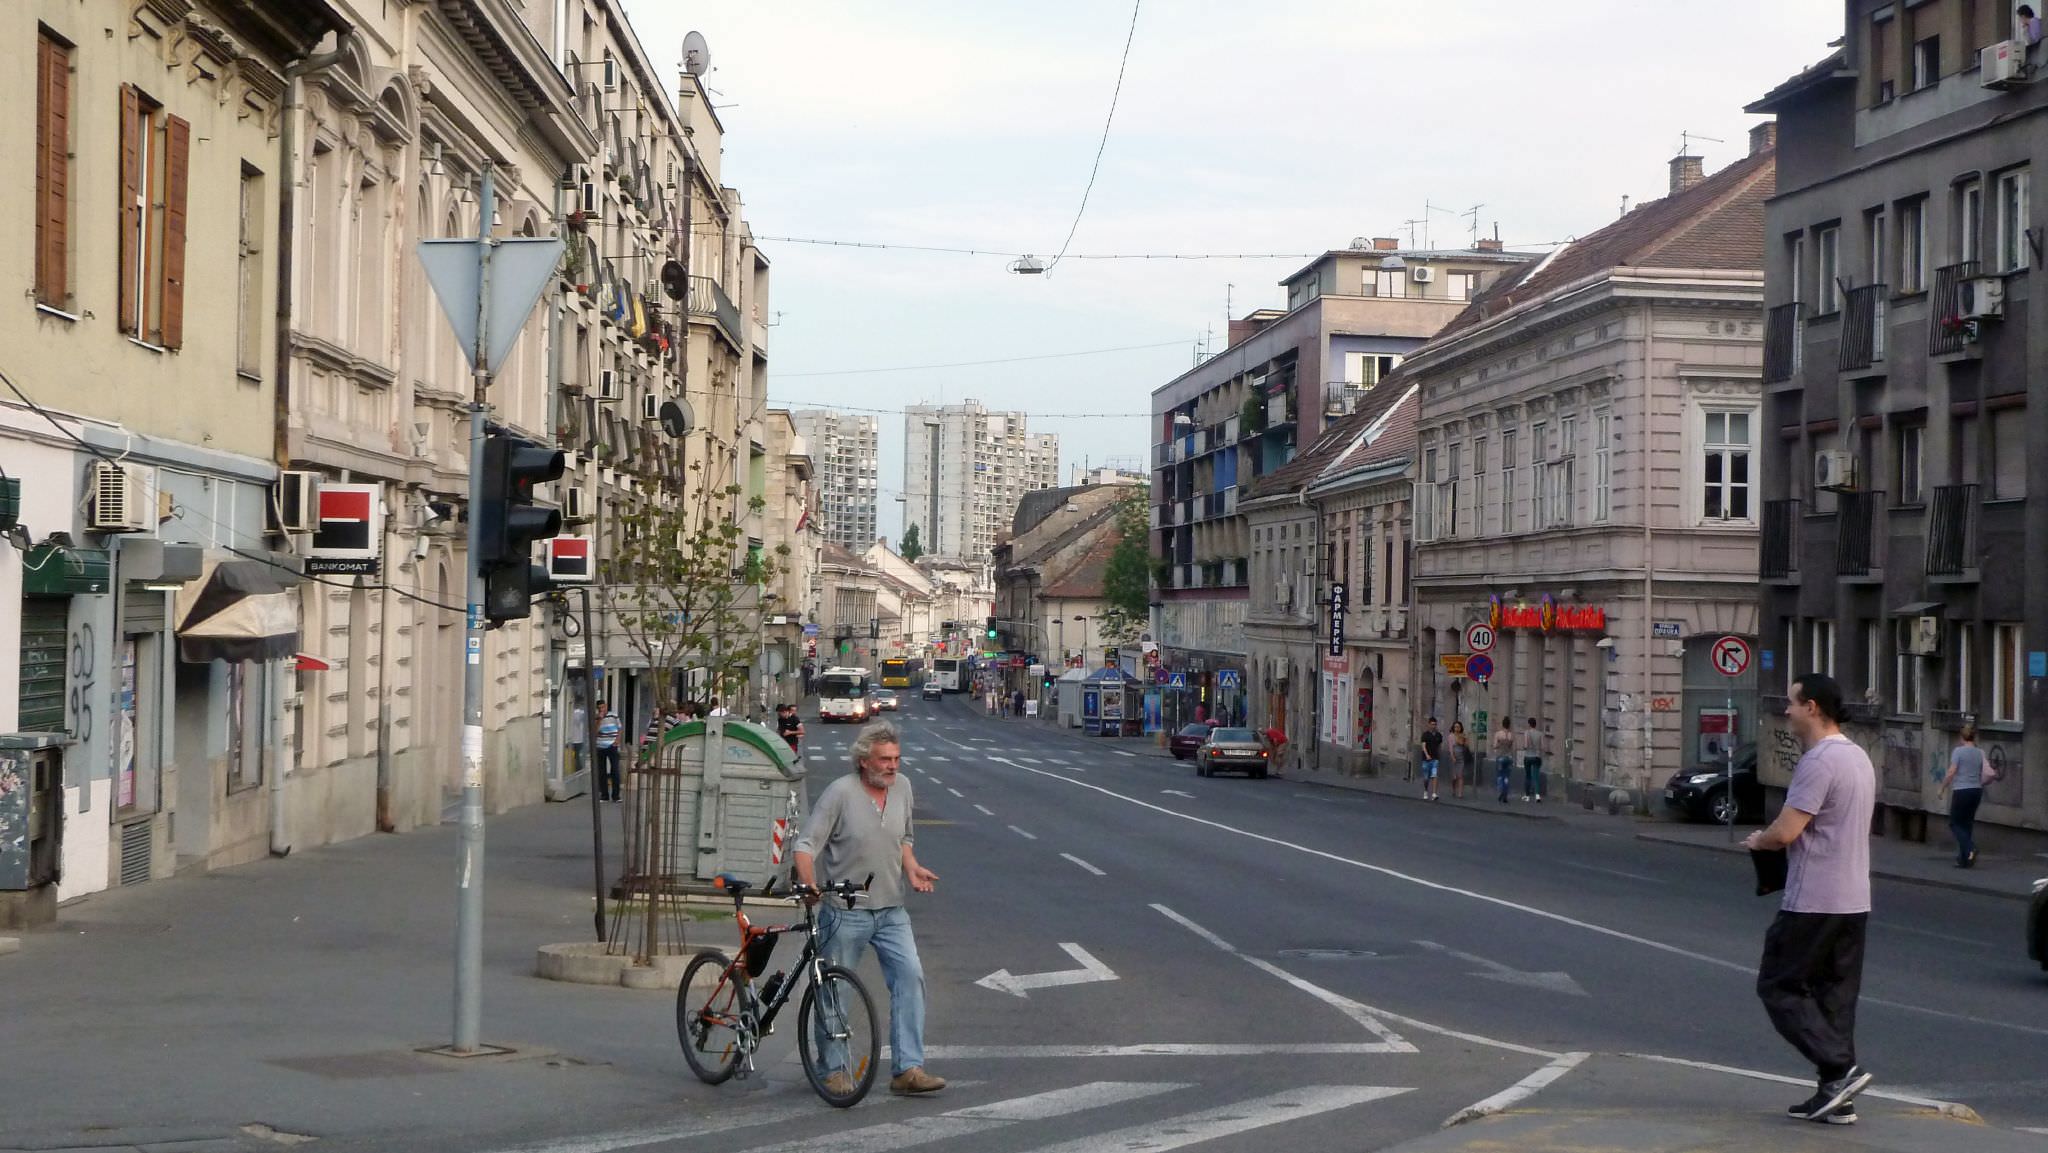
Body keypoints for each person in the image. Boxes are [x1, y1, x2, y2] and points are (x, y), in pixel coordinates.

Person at [1744, 672, 1877, 1125]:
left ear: (1813, 708)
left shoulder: (1819, 762)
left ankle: (1841, 1068)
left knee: (1778, 985)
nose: (1787, 710)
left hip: (1814, 898)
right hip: (1854, 898)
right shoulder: (1859, 757)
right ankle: (1836, 1097)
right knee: (1834, 996)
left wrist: (1759, 841)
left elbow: (1787, 831)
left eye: (1793, 703)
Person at [793, 720, 945, 1097]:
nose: (893, 766)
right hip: (845, 912)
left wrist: (912, 868)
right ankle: (834, 1069)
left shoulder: (903, 787)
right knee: (836, 992)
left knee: (911, 979)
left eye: (896, 758)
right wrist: (809, 883)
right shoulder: (839, 794)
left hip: (892, 909)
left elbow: (903, 838)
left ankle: (908, 1068)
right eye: (885, 760)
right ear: (864, 761)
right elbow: (805, 845)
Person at [1939, 724, 1992, 869]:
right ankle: (1964, 860)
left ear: (1961, 737)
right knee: (1967, 824)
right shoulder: (1979, 752)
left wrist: (1942, 787)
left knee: (1955, 823)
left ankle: (1970, 848)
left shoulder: (1958, 751)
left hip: (1962, 790)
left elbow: (1951, 771)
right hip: (1976, 791)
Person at [593, 703, 622, 803]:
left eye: (603, 707)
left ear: (606, 707)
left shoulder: (613, 716)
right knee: (602, 771)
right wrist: (599, 720)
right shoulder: (596, 718)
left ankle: (616, 795)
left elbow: (619, 728)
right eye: (600, 708)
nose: (602, 709)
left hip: (612, 745)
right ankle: (604, 795)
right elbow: (595, 732)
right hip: (600, 746)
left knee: (615, 770)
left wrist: (617, 740)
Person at [1519, 717, 1547, 803]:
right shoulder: (1540, 734)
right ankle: (1537, 796)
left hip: (1528, 756)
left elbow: (1526, 745)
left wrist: (1524, 748)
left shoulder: (1527, 733)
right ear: (1535, 724)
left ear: (1529, 724)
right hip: (1537, 757)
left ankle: (1527, 796)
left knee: (1528, 776)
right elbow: (1543, 747)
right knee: (1536, 777)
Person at [1418, 717, 1444, 801]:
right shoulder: (1425, 735)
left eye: (1435, 724)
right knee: (1426, 778)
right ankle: (1426, 791)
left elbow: (1439, 746)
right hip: (1426, 759)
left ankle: (1434, 793)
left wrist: (1439, 755)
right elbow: (1423, 746)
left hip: (1435, 758)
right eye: (1432, 724)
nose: (1433, 726)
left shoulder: (1438, 735)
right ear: (1429, 724)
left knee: (1434, 775)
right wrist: (1427, 755)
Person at [1491, 723, 1515, 804]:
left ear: (1502, 725)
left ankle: (1501, 792)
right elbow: (1513, 747)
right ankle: (1505, 795)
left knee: (1500, 776)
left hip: (1500, 757)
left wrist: (1499, 744)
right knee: (1506, 777)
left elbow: (1494, 746)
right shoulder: (1511, 735)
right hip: (1509, 757)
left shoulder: (1498, 734)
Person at [1448, 720, 1472, 801]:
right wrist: (1452, 757)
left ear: (1461, 728)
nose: (1457, 728)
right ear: (1453, 728)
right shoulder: (1451, 736)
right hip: (1454, 757)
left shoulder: (1463, 735)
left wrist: (1465, 739)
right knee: (1454, 777)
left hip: (1461, 758)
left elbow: (1467, 746)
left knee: (1460, 775)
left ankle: (1460, 793)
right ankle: (1454, 789)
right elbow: (1451, 748)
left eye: (1458, 727)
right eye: (1455, 727)